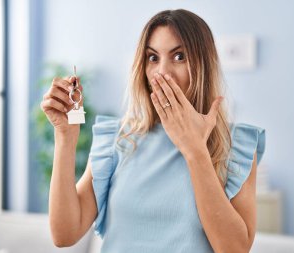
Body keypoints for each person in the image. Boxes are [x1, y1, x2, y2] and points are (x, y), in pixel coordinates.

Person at [41, 8, 266, 253]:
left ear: (203, 65)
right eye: (153, 58)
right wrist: (65, 137)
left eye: (179, 56)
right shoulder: (119, 138)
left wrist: (195, 150)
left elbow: (234, 249)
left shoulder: (235, 145)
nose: (162, 72)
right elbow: (64, 234)